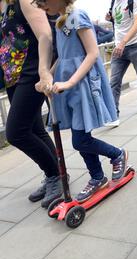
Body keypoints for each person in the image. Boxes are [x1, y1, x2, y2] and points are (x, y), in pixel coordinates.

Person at [34, 0, 130, 203]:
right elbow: (62, 57)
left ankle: (117, 155)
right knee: (81, 134)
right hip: (69, 86)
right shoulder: (61, 21)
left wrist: (70, 82)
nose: (41, 6)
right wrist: (47, 78)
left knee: (80, 139)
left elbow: (93, 53)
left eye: (43, 2)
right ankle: (97, 177)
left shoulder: (77, 16)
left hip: (81, 84)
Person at [1, 0, 62, 208]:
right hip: (13, 77)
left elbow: (45, 34)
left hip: (30, 73)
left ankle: (55, 174)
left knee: (15, 132)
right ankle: (56, 172)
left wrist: (44, 71)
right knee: (35, 129)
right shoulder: (6, 6)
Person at [105, 0, 137, 126]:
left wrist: (123, 42)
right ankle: (113, 114)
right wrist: (110, 19)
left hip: (135, 45)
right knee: (114, 82)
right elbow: (120, 23)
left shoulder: (134, 1)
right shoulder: (114, 2)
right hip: (119, 48)